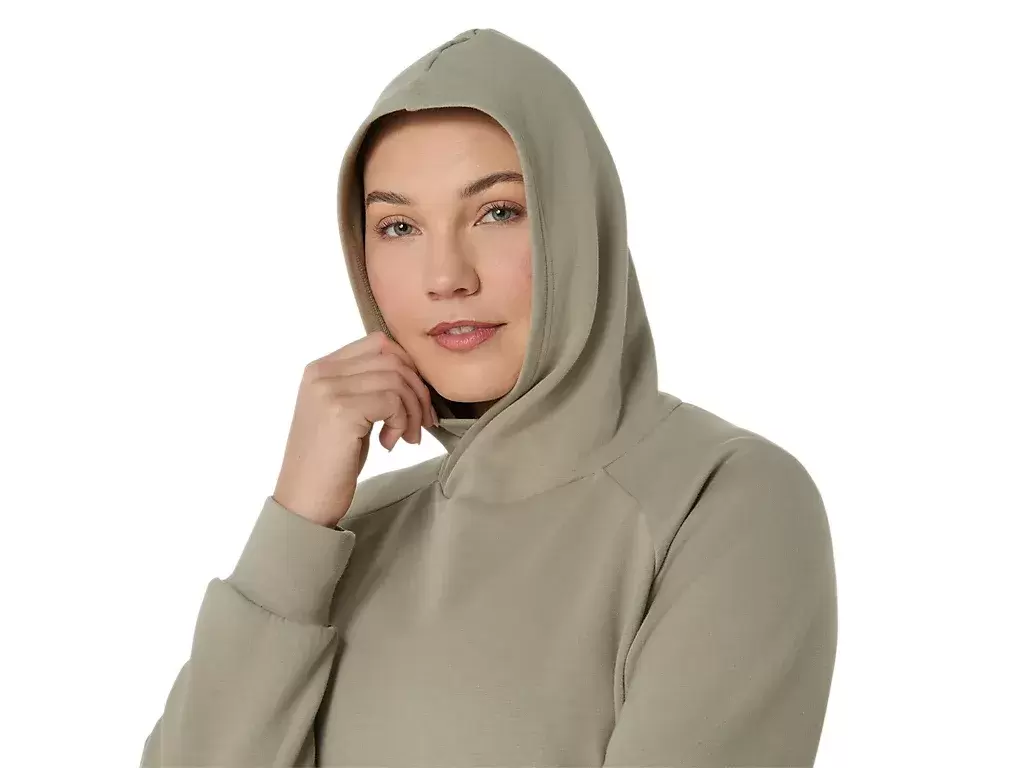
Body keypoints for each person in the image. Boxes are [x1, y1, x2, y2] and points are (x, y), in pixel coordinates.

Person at [140, 28, 838, 768]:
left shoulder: (724, 501)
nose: (446, 277)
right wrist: (297, 518)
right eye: (398, 226)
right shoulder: (350, 535)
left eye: (498, 212)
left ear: (576, 223)